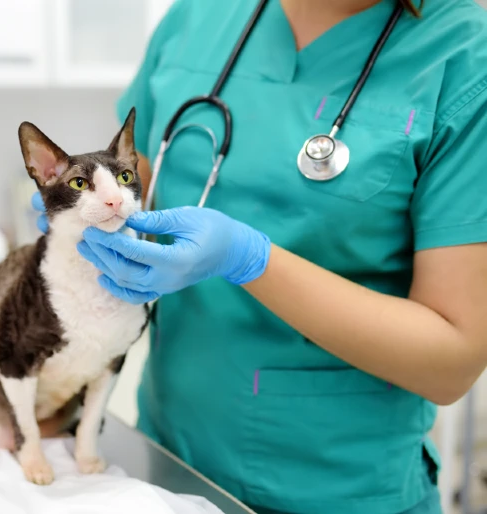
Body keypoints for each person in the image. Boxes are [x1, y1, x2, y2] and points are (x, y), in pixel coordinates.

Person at [31, 0, 487, 512]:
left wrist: (251, 260)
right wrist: (82, 209)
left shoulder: (465, 55)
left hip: (340, 486)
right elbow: (137, 166)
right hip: (166, 465)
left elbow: (452, 360)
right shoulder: (198, 17)